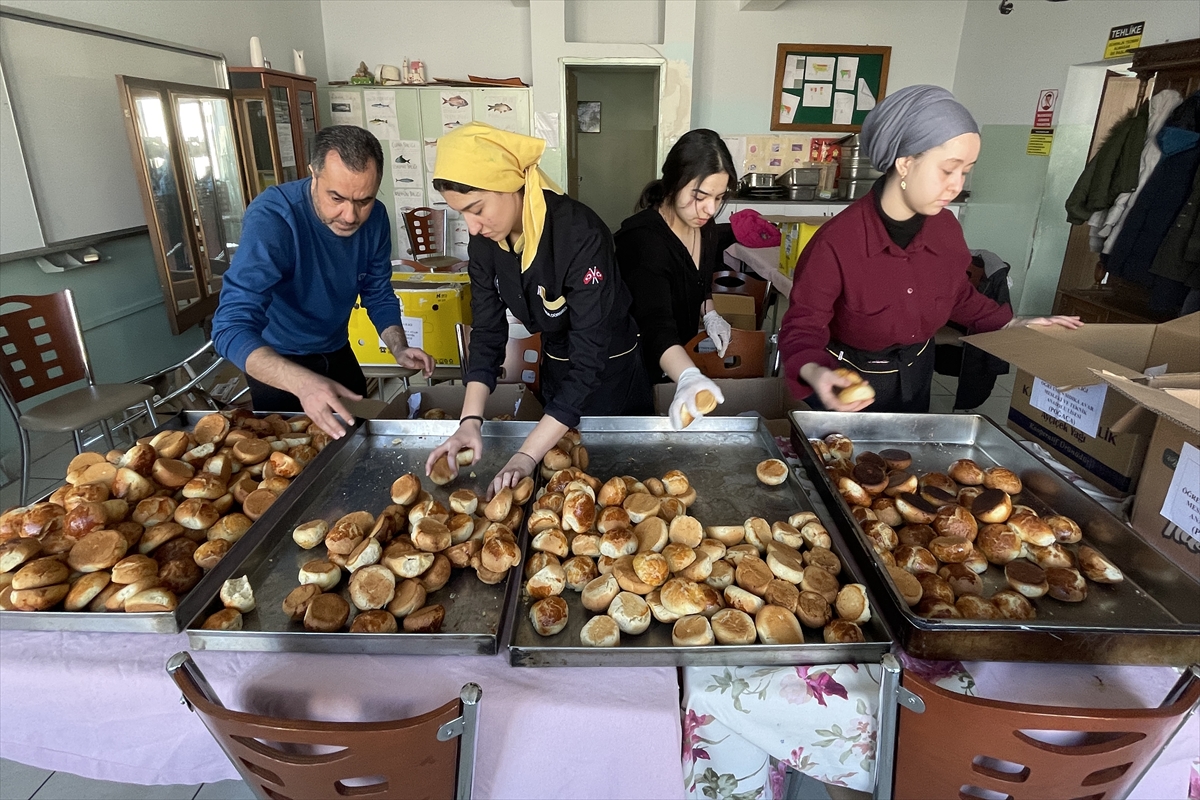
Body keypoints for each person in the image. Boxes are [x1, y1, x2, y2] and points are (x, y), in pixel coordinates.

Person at [778, 85, 1081, 413]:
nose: (957, 185)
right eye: (948, 170)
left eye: (965, 172)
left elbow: (956, 295)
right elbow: (802, 328)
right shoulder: (836, 243)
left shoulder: (945, 229)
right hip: (849, 382)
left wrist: (1012, 324)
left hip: (916, 374)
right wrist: (817, 373)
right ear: (905, 164)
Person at [423, 122, 653, 496]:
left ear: (510, 184)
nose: (472, 227)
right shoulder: (485, 245)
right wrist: (470, 420)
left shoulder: (579, 234)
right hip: (558, 362)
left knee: (618, 483)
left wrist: (525, 455)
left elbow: (589, 359)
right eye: (461, 214)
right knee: (560, 484)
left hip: (611, 371)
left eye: (476, 209)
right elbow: (488, 331)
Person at [212, 125, 434, 437]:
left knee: (357, 442)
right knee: (291, 455)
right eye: (337, 198)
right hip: (279, 360)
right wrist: (302, 383)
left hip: (337, 350)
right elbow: (229, 327)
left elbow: (377, 291)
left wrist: (398, 346)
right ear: (313, 175)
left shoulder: (376, 218)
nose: (350, 216)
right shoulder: (274, 218)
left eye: (364, 200)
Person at [615, 129, 739, 429]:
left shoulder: (705, 228)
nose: (710, 209)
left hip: (674, 360)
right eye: (700, 196)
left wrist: (709, 313)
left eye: (719, 197)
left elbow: (699, 281)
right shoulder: (643, 240)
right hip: (635, 366)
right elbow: (654, 323)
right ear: (673, 184)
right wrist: (688, 375)